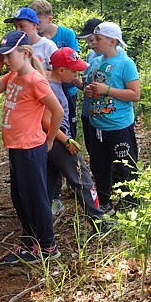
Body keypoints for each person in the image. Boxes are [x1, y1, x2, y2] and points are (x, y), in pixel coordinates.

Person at [0, 30, 64, 264]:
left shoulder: (35, 80)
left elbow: (57, 111)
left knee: (35, 198)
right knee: (19, 197)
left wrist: (50, 140)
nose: (5, 61)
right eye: (2, 57)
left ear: (25, 53)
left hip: (30, 148)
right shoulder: (12, 77)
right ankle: (30, 242)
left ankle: (48, 246)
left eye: (8, 56)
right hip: (15, 147)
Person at [44, 47, 110, 229]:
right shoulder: (51, 89)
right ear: (62, 70)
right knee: (83, 179)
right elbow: (46, 120)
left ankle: (41, 224)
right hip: (59, 141)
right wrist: (66, 140)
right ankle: (100, 222)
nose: (76, 75)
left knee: (48, 182)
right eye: (73, 70)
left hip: (55, 141)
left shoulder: (55, 86)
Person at [82, 22, 141, 212]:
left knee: (124, 167)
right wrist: (89, 91)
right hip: (96, 125)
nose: (94, 43)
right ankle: (104, 203)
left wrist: (107, 90)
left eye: (99, 39)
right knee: (99, 167)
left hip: (118, 127)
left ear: (112, 41)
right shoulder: (96, 62)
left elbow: (135, 94)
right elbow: (92, 88)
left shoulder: (125, 63)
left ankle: (130, 203)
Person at [30, 0, 81, 138]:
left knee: (68, 124)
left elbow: (74, 63)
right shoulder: (34, 40)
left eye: (39, 22)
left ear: (50, 19)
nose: (36, 26)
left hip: (67, 89)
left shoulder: (67, 34)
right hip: (44, 91)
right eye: (33, 22)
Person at [4, 7, 57, 73]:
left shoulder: (47, 45)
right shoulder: (16, 47)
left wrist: (31, 73)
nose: (18, 30)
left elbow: (58, 75)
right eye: (16, 27)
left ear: (34, 26)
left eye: (21, 26)